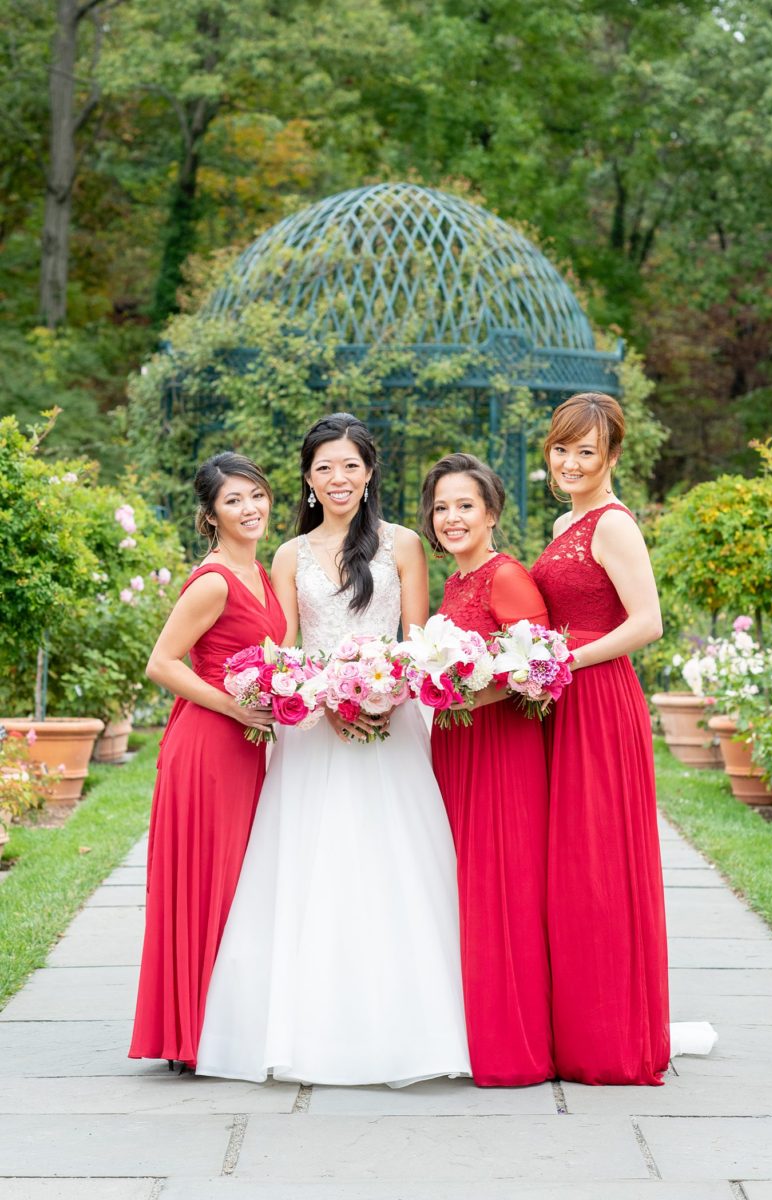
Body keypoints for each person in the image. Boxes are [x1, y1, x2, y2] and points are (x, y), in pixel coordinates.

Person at [196, 413, 469, 1086]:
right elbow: (283, 650)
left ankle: (412, 1029)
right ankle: (302, 1028)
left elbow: (417, 641)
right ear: (309, 480)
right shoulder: (288, 554)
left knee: (393, 863)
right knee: (311, 867)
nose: (338, 478)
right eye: (324, 468)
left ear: (370, 471)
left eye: (349, 465)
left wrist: (378, 694)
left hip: (391, 723)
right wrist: (327, 699)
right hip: (314, 728)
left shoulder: (405, 545)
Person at [129, 453, 287, 1072]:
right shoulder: (216, 578)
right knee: (206, 878)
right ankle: (187, 1036)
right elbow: (162, 663)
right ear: (210, 515)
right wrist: (236, 708)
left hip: (245, 744)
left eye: (256, 496)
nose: (250, 510)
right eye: (233, 502)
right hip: (209, 745)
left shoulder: (260, 573)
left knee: (236, 882)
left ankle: (215, 1027)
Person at [530, 392, 670, 1086]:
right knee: (564, 864)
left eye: (586, 451)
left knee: (594, 863)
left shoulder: (612, 524)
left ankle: (608, 1039)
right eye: (561, 448)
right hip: (560, 697)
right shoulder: (566, 520)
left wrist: (565, 659)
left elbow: (647, 623)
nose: (570, 462)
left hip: (596, 700)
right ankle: (570, 1026)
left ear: (612, 456)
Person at [421, 453, 554, 1088]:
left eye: (464, 505)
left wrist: (466, 695)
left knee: (503, 888)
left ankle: (514, 1048)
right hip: (456, 750)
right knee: (467, 888)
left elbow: (540, 669)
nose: (451, 518)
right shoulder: (453, 584)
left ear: (492, 512)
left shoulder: (507, 577)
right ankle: (474, 1029)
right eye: (441, 507)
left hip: (500, 753)